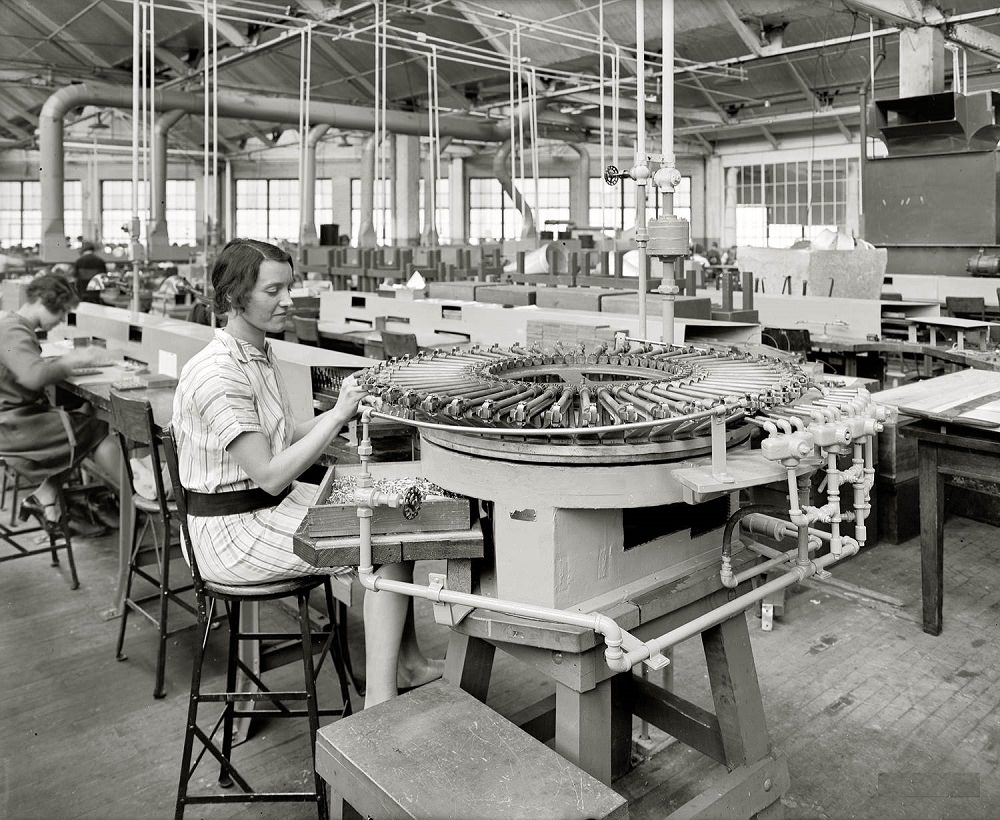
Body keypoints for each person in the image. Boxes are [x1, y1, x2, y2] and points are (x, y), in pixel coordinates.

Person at [171, 238, 441, 708]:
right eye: (274, 291)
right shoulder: (218, 374)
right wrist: (336, 419)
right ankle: (381, 702)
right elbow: (271, 474)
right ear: (236, 296)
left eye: (288, 288)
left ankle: (408, 663)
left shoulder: (257, 353)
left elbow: (284, 433)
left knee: (397, 526)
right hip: (236, 533)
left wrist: (346, 403)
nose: (289, 300)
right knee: (386, 544)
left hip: (267, 508)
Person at [0, 273, 120, 530]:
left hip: (13, 418)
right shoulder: (13, 331)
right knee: (96, 429)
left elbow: (26, 368)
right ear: (45, 301)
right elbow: (33, 376)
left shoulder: (13, 325)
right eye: (62, 312)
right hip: (13, 425)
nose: (61, 320)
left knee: (85, 416)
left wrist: (59, 364)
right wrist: (73, 361)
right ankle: (133, 498)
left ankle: (47, 494)